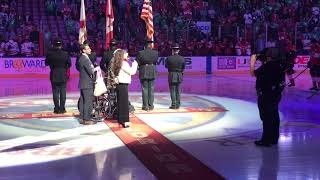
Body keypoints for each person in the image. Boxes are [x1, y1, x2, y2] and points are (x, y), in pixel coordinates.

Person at [250, 47, 286, 147]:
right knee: (274, 115)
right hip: (276, 94)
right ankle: (274, 138)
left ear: (269, 56)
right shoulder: (279, 66)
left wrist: (252, 62)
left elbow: (253, 73)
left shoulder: (267, 66)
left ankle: (266, 140)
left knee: (266, 117)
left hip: (266, 94)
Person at [111, 49, 138, 128]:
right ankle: (125, 120)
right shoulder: (124, 63)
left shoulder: (117, 63)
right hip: (123, 84)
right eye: (126, 53)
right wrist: (135, 64)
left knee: (120, 102)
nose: (127, 54)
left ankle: (120, 118)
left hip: (119, 84)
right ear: (122, 55)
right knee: (124, 103)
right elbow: (132, 72)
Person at [45, 38, 71, 114]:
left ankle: (57, 109)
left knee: (55, 92)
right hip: (63, 74)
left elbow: (46, 63)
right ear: (61, 45)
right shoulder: (65, 54)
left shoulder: (50, 54)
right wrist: (64, 68)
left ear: (54, 45)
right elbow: (69, 64)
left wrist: (53, 65)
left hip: (54, 74)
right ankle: (62, 108)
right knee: (63, 92)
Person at [78, 43, 99, 125]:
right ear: (84, 50)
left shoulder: (82, 58)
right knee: (88, 101)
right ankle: (87, 119)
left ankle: (83, 117)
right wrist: (95, 68)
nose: (90, 49)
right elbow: (91, 71)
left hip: (83, 83)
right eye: (88, 48)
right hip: (87, 83)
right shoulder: (85, 59)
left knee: (83, 101)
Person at [136, 39, 159, 111]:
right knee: (151, 88)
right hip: (152, 70)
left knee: (145, 89)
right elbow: (155, 61)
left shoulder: (141, 53)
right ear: (150, 45)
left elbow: (137, 63)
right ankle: (151, 105)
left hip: (144, 70)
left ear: (144, 45)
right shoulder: (156, 53)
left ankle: (145, 106)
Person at [165, 43, 185, 109]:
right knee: (178, 90)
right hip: (179, 75)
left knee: (172, 90)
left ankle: (173, 104)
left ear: (172, 50)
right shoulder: (182, 58)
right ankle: (178, 104)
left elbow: (166, 66)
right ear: (178, 50)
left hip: (171, 75)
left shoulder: (169, 58)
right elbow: (183, 68)